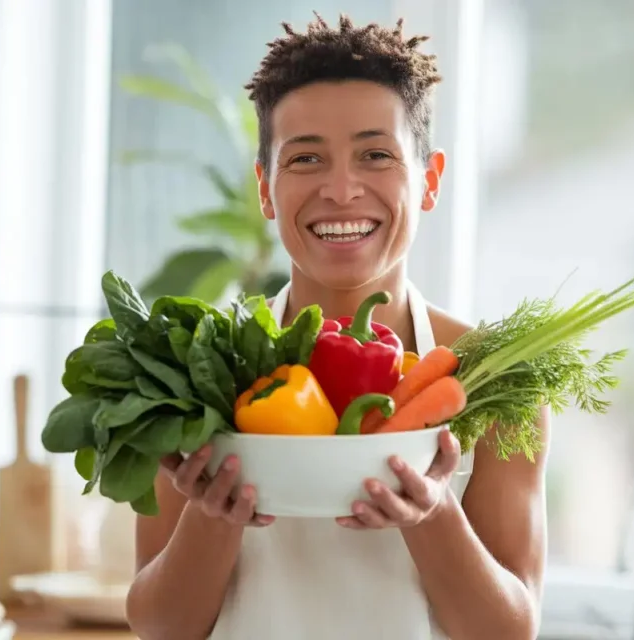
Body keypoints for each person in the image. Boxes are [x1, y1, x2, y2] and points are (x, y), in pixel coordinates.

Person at [125, 13, 549, 640]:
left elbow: (509, 631)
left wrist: (433, 519)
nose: (342, 189)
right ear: (266, 189)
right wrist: (211, 517)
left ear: (428, 181)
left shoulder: (497, 379)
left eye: (376, 155)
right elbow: (160, 627)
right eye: (305, 158)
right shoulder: (193, 367)